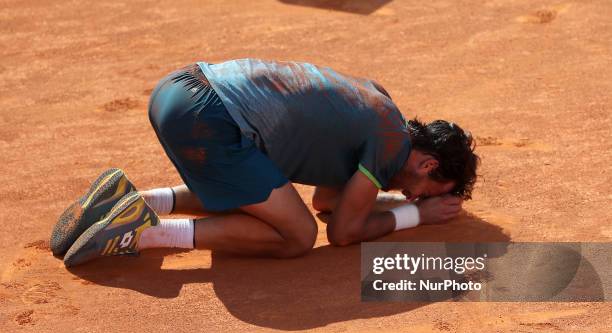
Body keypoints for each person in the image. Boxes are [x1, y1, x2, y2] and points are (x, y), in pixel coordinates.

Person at [50, 59, 479, 266]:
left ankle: (135, 200)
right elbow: (342, 231)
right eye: (425, 190)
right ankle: (142, 234)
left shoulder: (380, 105)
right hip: (208, 119)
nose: (410, 194)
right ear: (427, 165)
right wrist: (415, 217)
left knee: (261, 195)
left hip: (179, 89)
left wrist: (399, 204)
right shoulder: (389, 145)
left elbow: (329, 201)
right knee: (296, 236)